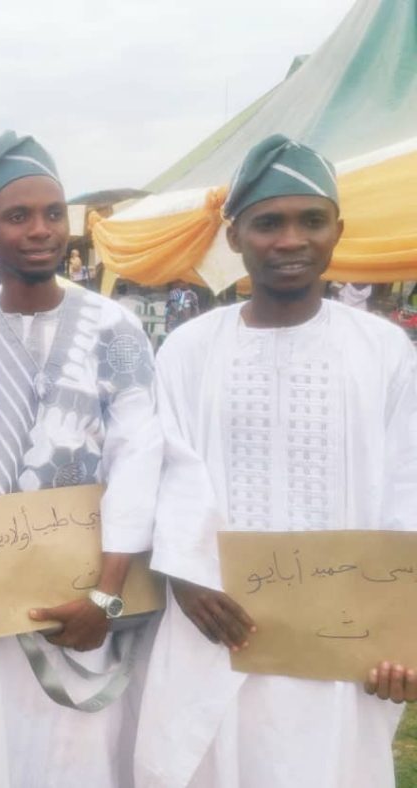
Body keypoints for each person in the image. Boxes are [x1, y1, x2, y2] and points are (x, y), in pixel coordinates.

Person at [134, 135, 417, 788]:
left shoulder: (383, 351)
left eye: (311, 220)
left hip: (342, 640)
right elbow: (166, 471)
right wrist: (186, 577)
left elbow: (407, 486)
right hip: (217, 626)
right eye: (268, 223)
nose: (291, 240)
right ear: (235, 236)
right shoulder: (188, 349)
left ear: (337, 230)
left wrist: (400, 627)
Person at [0, 131, 163, 787]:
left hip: (92, 589)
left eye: (53, 214)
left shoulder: (116, 328)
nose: (40, 231)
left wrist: (105, 597)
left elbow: (138, 462)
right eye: (18, 216)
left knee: (82, 757)